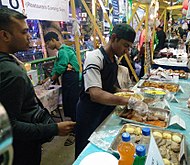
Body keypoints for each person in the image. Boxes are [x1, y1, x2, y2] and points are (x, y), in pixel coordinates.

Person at [0, 7, 75, 165]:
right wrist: (54, 129)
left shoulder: (10, 63)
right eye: (24, 32)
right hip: (20, 150)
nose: (29, 37)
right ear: (5, 35)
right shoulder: (12, 74)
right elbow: (8, 126)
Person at [75, 23, 149, 158]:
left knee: (104, 150)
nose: (127, 51)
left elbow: (109, 86)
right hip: (90, 112)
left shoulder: (113, 59)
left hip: (105, 109)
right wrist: (128, 101)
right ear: (114, 38)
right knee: (87, 152)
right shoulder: (94, 58)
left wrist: (122, 90)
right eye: (125, 45)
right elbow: (96, 94)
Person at [44, 31, 81, 145]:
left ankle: (76, 132)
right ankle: (74, 128)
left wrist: (51, 79)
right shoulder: (60, 52)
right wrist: (48, 78)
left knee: (73, 104)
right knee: (69, 104)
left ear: (53, 40)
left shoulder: (64, 51)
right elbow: (57, 66)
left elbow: (61, 67)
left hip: (72, 79)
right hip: (68, 79)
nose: (47, 46)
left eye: (47, 43)